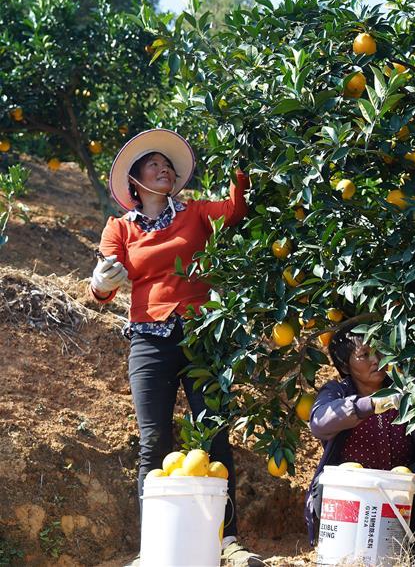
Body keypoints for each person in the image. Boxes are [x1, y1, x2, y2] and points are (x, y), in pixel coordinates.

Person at [88, 129, 262, 566]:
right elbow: (104, 283)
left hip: (202, 337)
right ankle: (154, 549)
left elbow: (236, 210)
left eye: (168, 166)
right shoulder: (119, 227)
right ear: (135, 181)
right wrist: (101, 282)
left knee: (215, 435)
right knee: (154, 442)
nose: (164, 170)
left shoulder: (196, 213)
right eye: (154, 165)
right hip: (149, 339)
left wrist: (242, 162)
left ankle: (228, 542)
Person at [304, 326, 415, 550]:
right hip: (354, 492)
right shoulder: (338, 392)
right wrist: (370, 404)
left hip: (398, 489)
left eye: (380, 351)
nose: (376, 360)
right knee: (327, 487)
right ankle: (347, 551)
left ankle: (409, 548)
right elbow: (319, 422)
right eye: (364, 355)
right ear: (344, 366)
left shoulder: (403, 389)